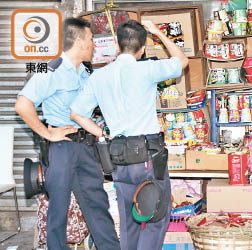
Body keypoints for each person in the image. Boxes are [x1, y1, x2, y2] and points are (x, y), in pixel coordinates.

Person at [70, 19, 188, 250]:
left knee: (130, 220)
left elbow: (76, 114)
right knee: (156, 215)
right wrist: (159, 34)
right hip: (148, 156)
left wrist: (103, 133)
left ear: (116, 43)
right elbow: (181, 61)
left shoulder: (99, 76)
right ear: (143, 47)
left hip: (119, 157)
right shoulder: (147, 68)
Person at [14, 18, 121, 250]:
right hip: (62, 147)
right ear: (80, 41)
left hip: (85, 147)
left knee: (97, 204)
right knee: (58, 209)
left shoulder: (86, 71)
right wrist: (47, 133)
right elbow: (22, 105)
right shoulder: (50, 69)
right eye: (91, 40)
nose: (94, 45)